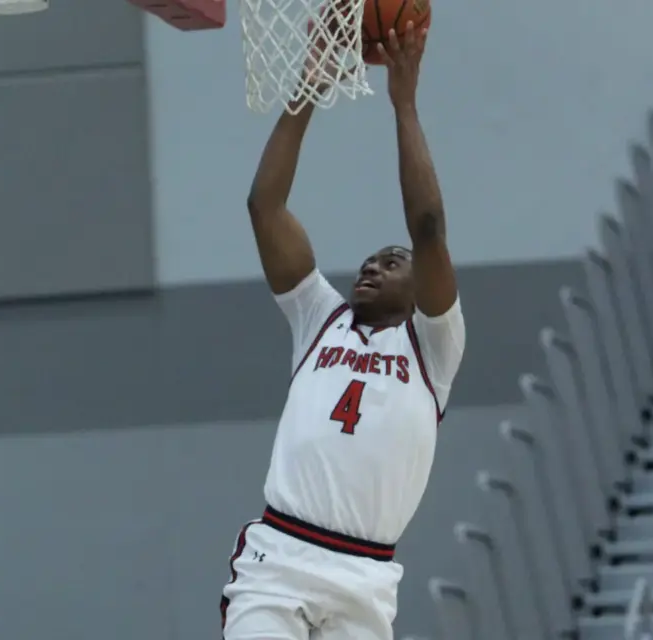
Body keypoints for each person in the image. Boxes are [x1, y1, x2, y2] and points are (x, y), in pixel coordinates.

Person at [219, 24, 465, 640]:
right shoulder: (318, 318)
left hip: (365, 576)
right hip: (281, 560)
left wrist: (403, 105)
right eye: (369, 260)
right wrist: (308, 87)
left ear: (421, 287)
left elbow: (429, 226)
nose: (372, 266)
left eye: (392, 260)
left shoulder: (433, 347)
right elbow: (264, 207)